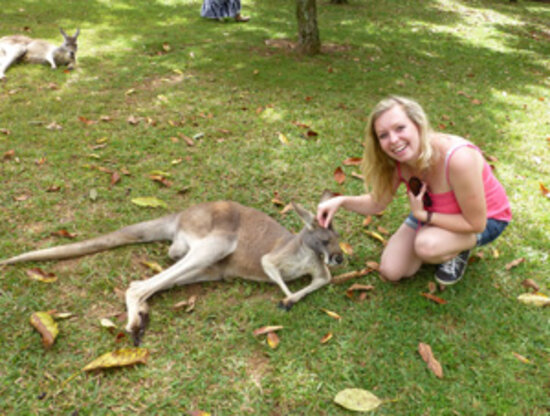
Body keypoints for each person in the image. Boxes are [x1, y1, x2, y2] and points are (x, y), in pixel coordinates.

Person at [317, 96, 512, 285]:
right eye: (383, 135)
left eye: (400, 128)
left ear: (418, 125)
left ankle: (459, 248)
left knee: (427, 246)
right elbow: (377, 203)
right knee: (392, 271)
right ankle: (441, 241)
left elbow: (476, 223)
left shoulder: (458, 159)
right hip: (433, 212)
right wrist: (340, 201)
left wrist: (423, 215)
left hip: (485, 219)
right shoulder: (398, 161)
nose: (393, 140)